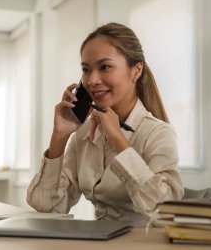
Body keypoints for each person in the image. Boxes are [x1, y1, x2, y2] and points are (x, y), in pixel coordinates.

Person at [26, 22, 184, 226]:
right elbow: (45, 206)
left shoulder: (157, 133)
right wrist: (60, 136)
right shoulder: (84, 135)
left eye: (105, 67)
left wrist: (119, 141)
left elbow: (165, 214)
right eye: (86, 69)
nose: (92, 80)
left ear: (136, 71)